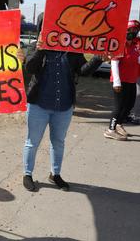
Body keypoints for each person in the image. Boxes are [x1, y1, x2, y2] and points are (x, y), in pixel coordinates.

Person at [22, 14, 105, 192]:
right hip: (39, 104)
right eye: (49, 26)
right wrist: (41, 48)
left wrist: (99, 58)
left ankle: (55, 174)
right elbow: (30, 68)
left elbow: (83, 71)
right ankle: (27, 174)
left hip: (64, 106)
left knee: (58, 141)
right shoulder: (36, 48)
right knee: (32, 141)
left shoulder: (73, 50)